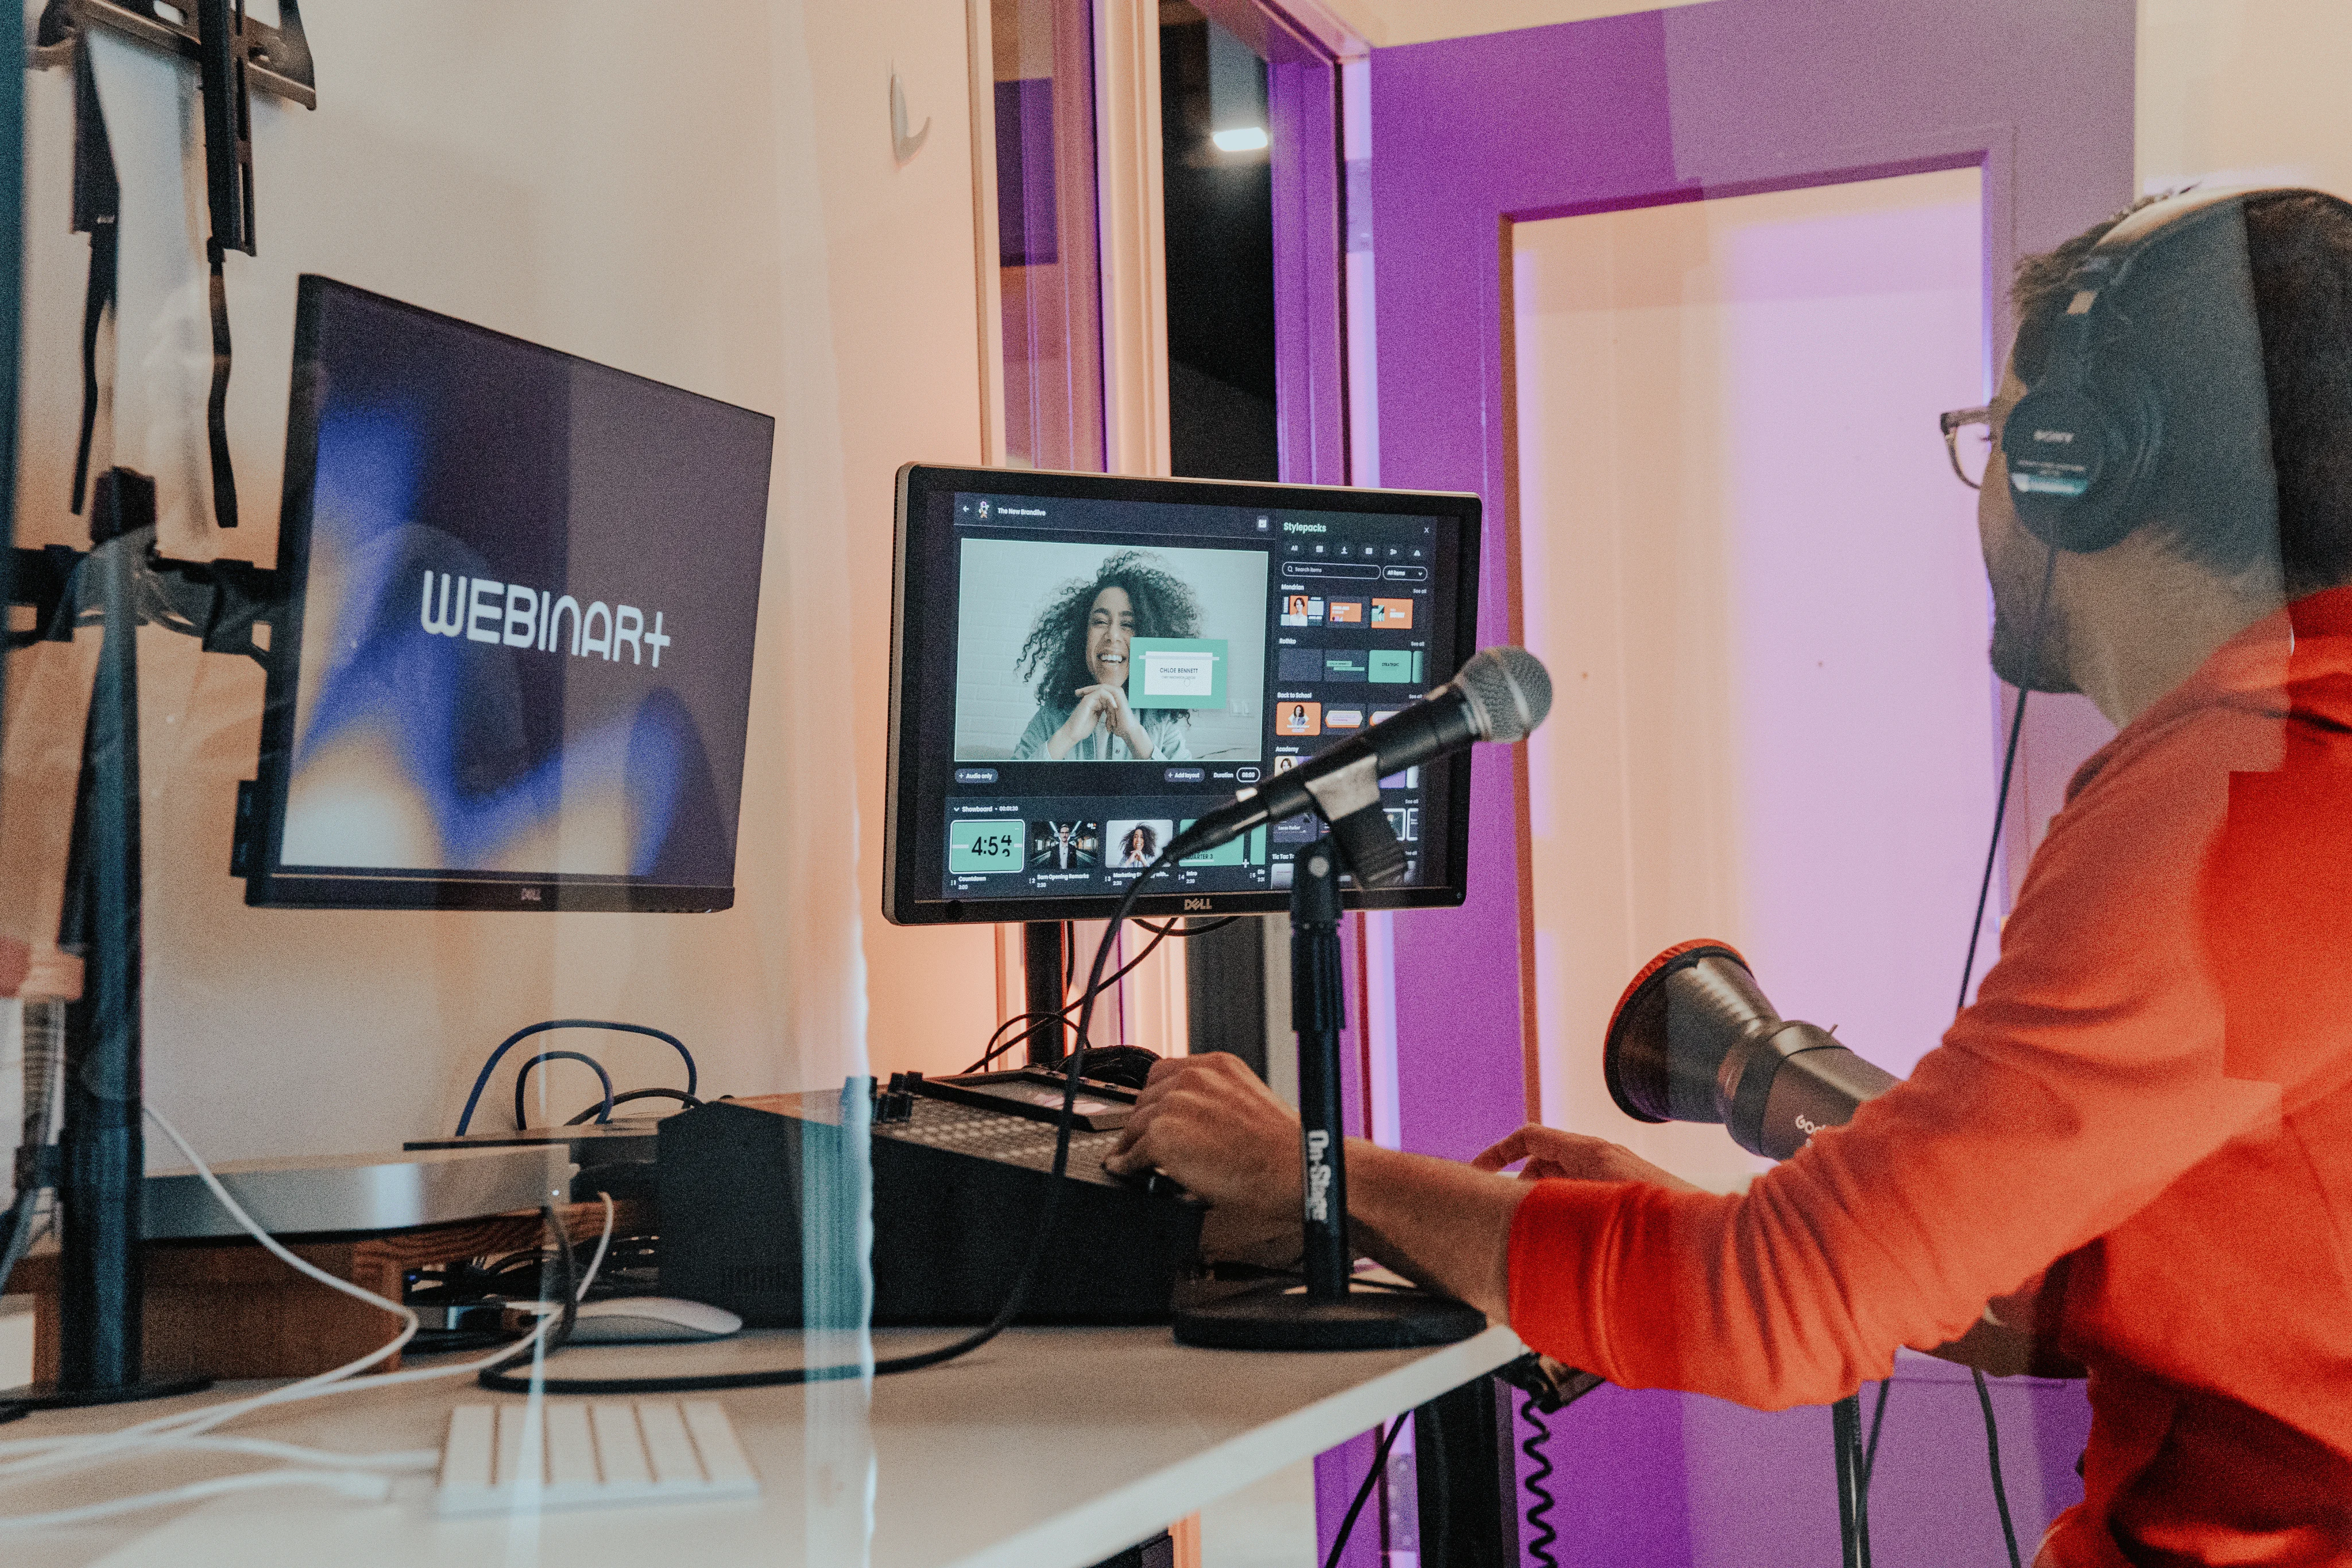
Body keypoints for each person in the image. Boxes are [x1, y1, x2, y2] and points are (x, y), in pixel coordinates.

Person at [1108, 189, 2352, 1562]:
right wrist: (1639, 1225)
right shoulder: (2304, 766)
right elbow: (2102, 1287)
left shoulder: (2242, 801)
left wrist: (1310, 1171)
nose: (1992, 484)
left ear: (2079, 463)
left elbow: (1783, 1306)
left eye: (1999, 437)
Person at [1010, 551, 1198, 761]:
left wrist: (1135, 736)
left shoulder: (1160, 720)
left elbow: (1187, 790)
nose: (1113, 636)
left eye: (1128, 625)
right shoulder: (1051, 717)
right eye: (1100, 622)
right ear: (1083, 636)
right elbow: (1009, 790)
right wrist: (1067, 735)